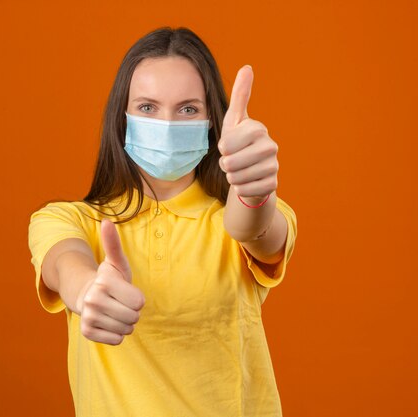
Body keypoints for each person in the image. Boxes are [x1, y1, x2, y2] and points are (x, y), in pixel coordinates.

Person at [28, 26, 298, 417]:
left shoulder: (249, 216)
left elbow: (251, 229)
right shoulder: (69, 219)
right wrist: (86, 289)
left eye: (188, 109)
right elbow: (64, 260)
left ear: (211, 121)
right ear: (122, 117)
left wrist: (253, 193)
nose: (167, 123)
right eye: (148, 107)